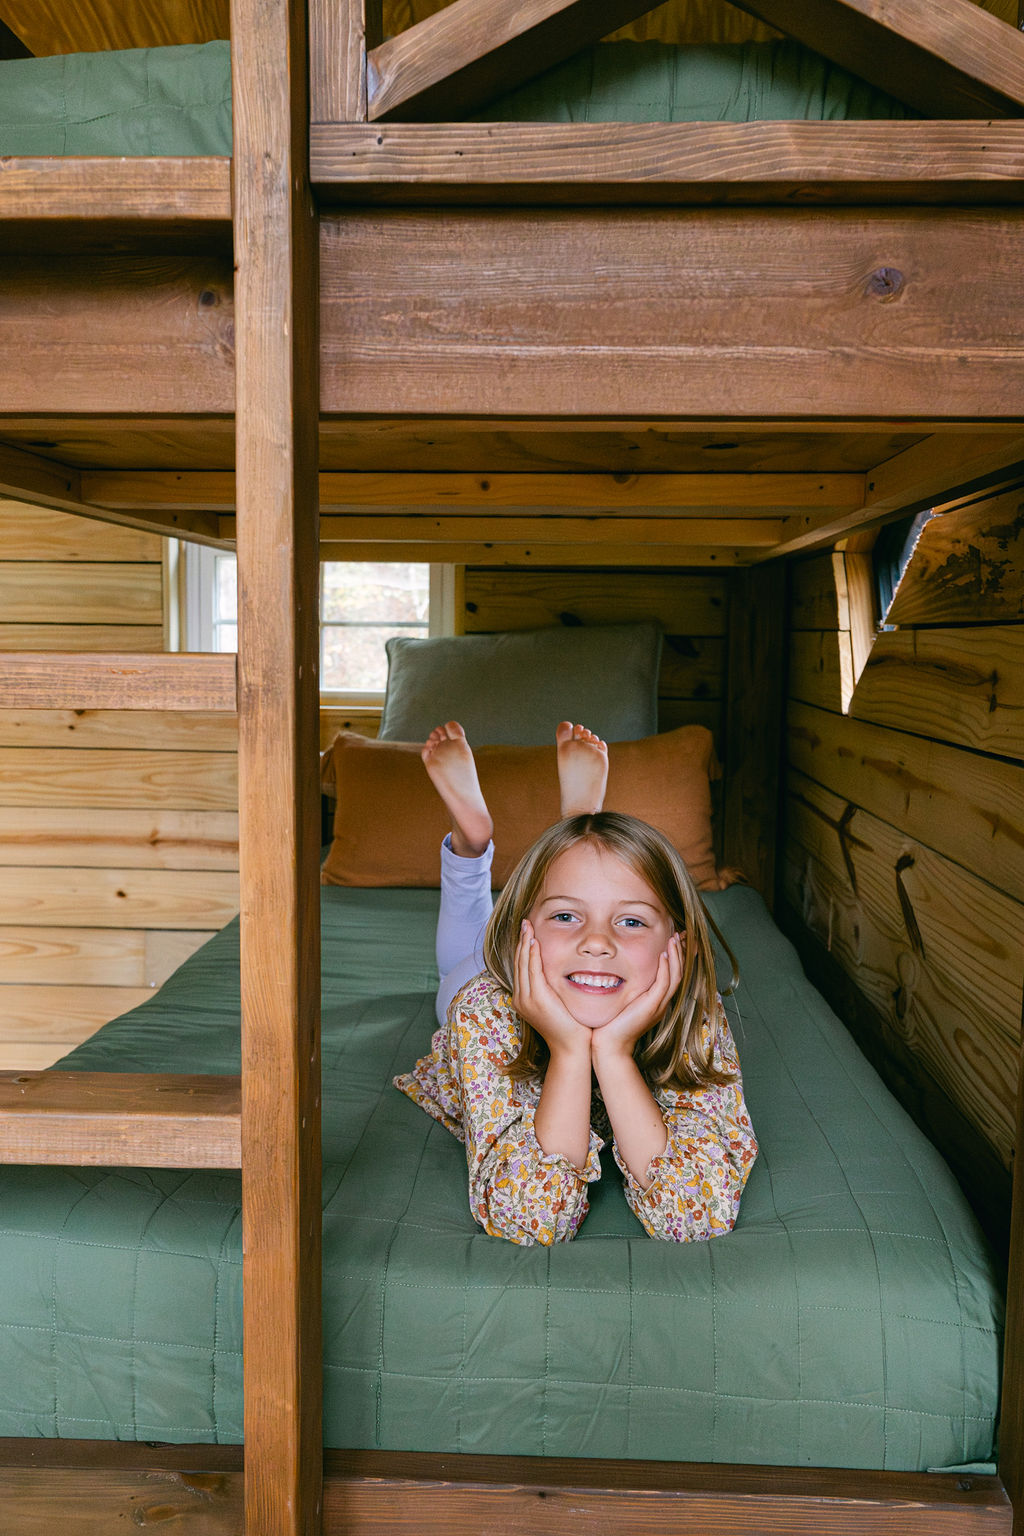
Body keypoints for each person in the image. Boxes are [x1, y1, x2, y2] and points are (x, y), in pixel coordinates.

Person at [394, 720, 757, 1247]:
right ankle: (472, 845)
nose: (597, 941)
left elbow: (696, 1216)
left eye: (630, 921)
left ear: (681, 946)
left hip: (566, 972)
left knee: (563, 901)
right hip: (498, 980)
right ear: (526, 932)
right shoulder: (484, 1012)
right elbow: (529, 1218)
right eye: (567, 916)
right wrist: (568, 1052)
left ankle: (578, 835)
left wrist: (612, 1052)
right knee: (461, 964)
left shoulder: (692, 1012)